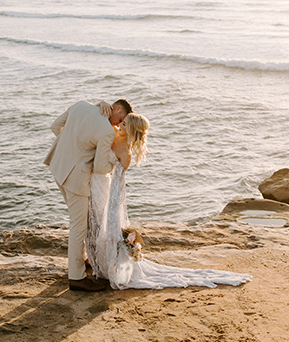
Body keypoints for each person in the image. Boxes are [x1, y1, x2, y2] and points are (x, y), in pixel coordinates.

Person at [86, 111, 253, 290]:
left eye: (125, 125)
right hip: (98, 184)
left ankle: (109, 266)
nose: (120, 126)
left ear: (132, 131)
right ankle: (97, 262)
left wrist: (113, 211)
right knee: (93, 224)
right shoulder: (114, 134)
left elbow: (118, 186)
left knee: (107, 227)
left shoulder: (125, 152)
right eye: (123, 122)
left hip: (110, 192)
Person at [44, 98, 133, 291]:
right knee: (79, 226)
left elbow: (55, 126)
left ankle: (84, 260)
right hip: (76, 178)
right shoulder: (107, 131)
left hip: (58, 166)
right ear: (116, 108)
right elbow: (101, 168)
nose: (119, 123)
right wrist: (114, 163)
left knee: (78, 221)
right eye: (121, 118)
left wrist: (73, 147)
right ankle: (76, 277)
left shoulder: (80, 105)